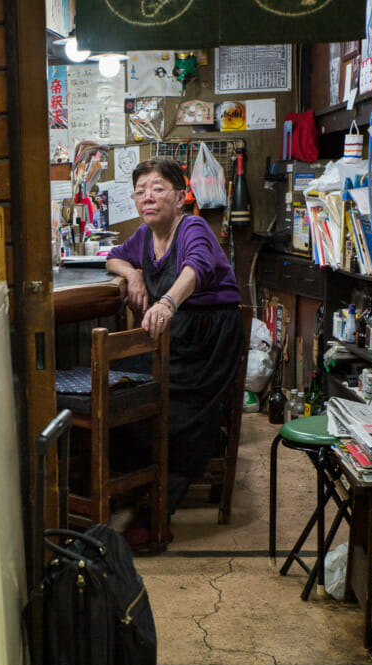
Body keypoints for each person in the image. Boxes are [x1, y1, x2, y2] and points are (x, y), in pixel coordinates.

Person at [105, 156, 243, 549]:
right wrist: (132, 273)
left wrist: (165, 303)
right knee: (121, 380)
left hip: (207, 339)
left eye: (158, 189)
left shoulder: (192, 227)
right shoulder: (145, 236)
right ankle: (133, 489)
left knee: (173, 405)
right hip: (174, 338)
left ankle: (158, 510)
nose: (147, 197)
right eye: (140, 191)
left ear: (180, 197)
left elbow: (196, 267)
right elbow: (113, 255)